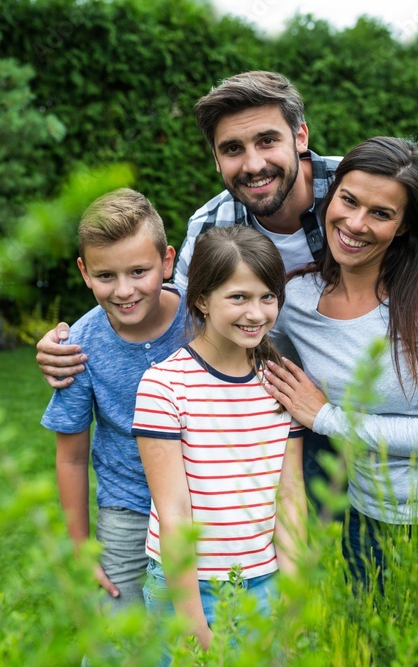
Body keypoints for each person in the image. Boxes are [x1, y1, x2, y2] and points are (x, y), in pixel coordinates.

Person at [36, 70, 418, 500]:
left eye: (267, 141)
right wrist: (73, 340)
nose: (252, 164)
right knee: (303, 553)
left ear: (301, 136)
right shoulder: (213, 224)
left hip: (385, 395)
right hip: (281, 404)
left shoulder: (365, 187)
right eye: (232, 149)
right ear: (215, 158)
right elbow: (177, 310)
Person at [261, 137, 418, 588]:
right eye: (348, 201)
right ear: (329, 197)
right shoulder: (295, 300)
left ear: (405, 225)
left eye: (381, 213)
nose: (355, 223)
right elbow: (260, 371)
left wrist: (326, 417)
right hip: (364, 519)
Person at [133, 225, 306, 653]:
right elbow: (174, 513)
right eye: (239, 297)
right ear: (201, 300)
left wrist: (296, 592)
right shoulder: (165, 386)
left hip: (265, 582)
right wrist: (193, 622)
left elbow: (291, 495)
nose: (256, 313)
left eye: (268, 297)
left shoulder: (280, 382)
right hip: (187, 588)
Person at [40, 188, 186, 610]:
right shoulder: (78, 347)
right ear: (85, 272)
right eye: (106, 276)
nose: (124, 290)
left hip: (203, 501)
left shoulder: (203, 319)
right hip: (128, 511)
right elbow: (70, 456)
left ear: (167, 261)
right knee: (119, 637)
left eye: (139, 271)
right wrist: (81, 547)